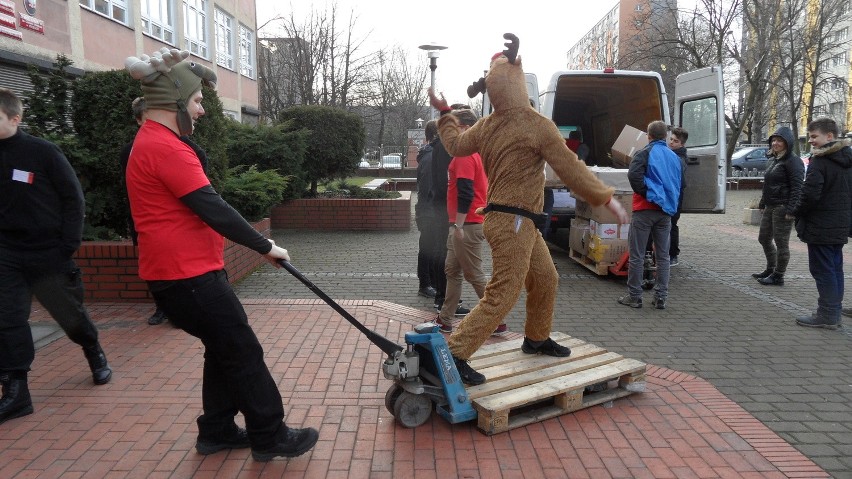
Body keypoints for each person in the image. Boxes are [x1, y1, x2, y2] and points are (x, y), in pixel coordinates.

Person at [124, 49, 318, 460]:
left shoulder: (154, 141)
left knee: (224, 347)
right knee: (242, 350)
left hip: (186, 275)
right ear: (174, 103)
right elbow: (214, 208)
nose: (202, 111)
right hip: (187, 279)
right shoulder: (166, 148)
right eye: (197, 102)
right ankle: (271, 436)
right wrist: (266, 246)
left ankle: (215, 430)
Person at [428, 33, 628, 386]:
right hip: (515, 221)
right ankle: (456, 353)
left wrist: (445, 113)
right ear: (519, 82)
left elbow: (456, 145)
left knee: (546, 278)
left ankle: (536, 338)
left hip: (510, 220)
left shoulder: (487, 125)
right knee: (503, 293)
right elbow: (569, 166)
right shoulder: (537, 125)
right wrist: (604, 197)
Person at [0, 87, 112, 425]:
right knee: (7, 320)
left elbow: (73, 199)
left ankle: (93, 350)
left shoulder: (43, 152)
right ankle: (16, 390)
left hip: (48, 252)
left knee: (70, 317)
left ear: (15, 118)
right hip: (6, 252)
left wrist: (68, 245)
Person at [119, 97, 210, 325]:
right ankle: (162, 307)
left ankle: (183, 308)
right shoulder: (129, 152)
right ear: (139, 120)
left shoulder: (185, 147)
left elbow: (203, 189)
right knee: (154, 266)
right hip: (143, 220)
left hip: (177, 223)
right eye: (145, 118)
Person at [434, 109, 507, 336]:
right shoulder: (474, 154)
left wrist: (458, 225)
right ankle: (445, 319)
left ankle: (497, 320)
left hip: (466, 224)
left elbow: (465, 192)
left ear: (465, 128)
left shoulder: (465, 155)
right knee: (452, 270)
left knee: (474, 274)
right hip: (464, 223)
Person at [789, 118, 852, 329]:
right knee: (835, 269)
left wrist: (794, 212)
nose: (811, 141)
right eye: (810, 136)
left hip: (821, 226)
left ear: (830, 136)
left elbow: (810, 194)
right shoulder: (846, 160)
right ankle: (834, 311)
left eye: (814, 136)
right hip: (839, 224)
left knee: (823, 270)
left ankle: (828, 315)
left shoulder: (821, 162)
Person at [618, 120, 683, 310]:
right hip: (665, 213)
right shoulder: (674, 158)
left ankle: (635, 296)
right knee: (663, 256)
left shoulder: (643, 153)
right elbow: (679, 183)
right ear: (665, 136)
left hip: (644, 210)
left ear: (649, 135)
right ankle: (661, 297)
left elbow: (634, 176)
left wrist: (648, 193)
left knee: (637, 255)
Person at [429, 103, 473, 317]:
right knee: (448, 259)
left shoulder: (442, 146)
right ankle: (442, 299)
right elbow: (445, 182)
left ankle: (446, 303)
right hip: (445, 210)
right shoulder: (447, 148)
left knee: (449, 262)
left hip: (443, 209)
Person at [751, 126, 804, 286]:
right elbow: (768, 184)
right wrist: (762, 202)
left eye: (779, 140)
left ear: (787, 143)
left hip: (783, 206)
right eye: (773, 140)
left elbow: (797, 187)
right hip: (770, 205)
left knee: (781, 243)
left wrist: (792, 209)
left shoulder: (793, 161)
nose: (775, 143)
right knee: (764, 238)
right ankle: (771, 268)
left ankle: (778, 275)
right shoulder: (773, 160)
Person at [415, 120, 438, 299]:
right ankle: (425, 284)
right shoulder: (431, 158)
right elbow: (427, 188)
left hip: (429, 210)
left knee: (432, 247)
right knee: (428, 247)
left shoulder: (431, 155)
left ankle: (431, 282)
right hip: (429, 211)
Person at [667, 127, 689, 266]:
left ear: (682, 144)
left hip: (675, 195)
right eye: (671, 139)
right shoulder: (673, 154)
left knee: (671, 224)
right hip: (673, 194)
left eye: (675, 141)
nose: (671, 143)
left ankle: (673, 255)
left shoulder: (679, 158)